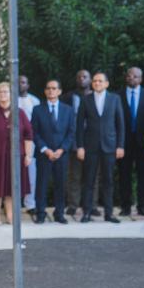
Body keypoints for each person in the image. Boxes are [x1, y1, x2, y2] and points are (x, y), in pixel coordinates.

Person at [0, 82, 34, 225]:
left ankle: (10, 216)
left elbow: (28, 135)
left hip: (16, 157)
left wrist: (28, 155)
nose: (3, 94)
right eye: (0, 92)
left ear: (11, 94)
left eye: (6, 91)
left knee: (12, 187)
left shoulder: (19, 113)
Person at [76, 72, 124, 223]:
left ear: (106, 84)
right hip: (90, 146)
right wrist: (80, 146)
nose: (97, 83)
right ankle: (87, 213)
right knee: (89, 181)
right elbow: (79, 126)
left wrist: (120, 146)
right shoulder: (85, 100)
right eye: (95, 81)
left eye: (100, 81)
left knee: (108, 181)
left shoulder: (115, 99)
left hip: (110, 146)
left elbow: (120, 124)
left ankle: (109, 214)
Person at [31, 79, 74, 224]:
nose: (51, 91)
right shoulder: (37, 109)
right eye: (48, 88)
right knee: (41, 185)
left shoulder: (68, 110)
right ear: (45, 91)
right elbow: (34, 132)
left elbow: (71, 132)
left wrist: (62, 149)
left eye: (54, 88)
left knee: (60, 185)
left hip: (61, 154)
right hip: (44, 154)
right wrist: (45, 149)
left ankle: (59, 213)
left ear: (59, 91)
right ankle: (41, 213)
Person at [118, 67, 144, 217]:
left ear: (141, 79)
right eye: (129, 75)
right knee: (124, 175)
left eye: (135, 76)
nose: (132, 78)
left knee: (143, 176)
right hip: (124, 143)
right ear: (126, 78)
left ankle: (142, 206)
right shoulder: (117, 95)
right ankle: (125, 207)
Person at [62, 69, 94, 217]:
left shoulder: (97, 96)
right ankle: (73, 204)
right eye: (79, 76)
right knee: (74, 175)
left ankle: (91, 205)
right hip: (74, 142)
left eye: (85, 76)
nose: (82, 79)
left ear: (91, 79)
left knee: (93, 175)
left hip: (94, 142)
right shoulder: (68, 97)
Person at [17, 75, 40, 213]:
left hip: (30, 141)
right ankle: (14, 203)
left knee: (31, 173)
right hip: (12, 141)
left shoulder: (34, 101)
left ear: (28, 85)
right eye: (18, 82)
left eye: (23, 82)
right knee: (13, 173)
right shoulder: (10, 99)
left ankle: (30, 204)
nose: (21, 84)